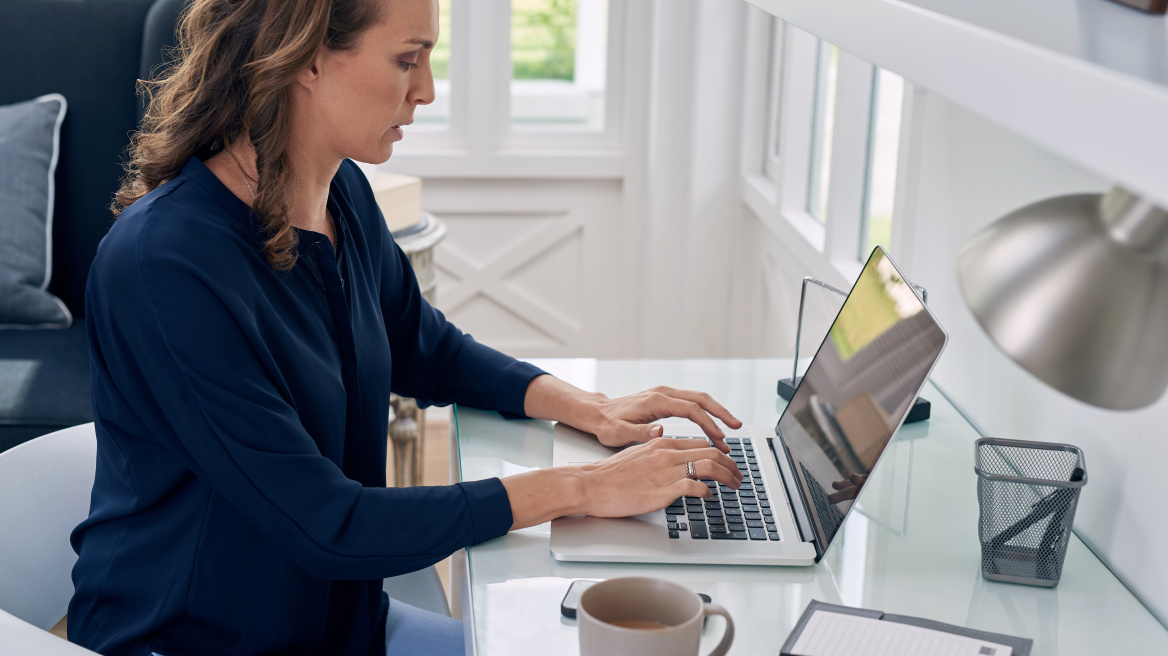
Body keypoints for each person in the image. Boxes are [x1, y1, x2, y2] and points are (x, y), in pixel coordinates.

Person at [67, 1, 744, 655]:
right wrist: (584, 489)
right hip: (191, 642)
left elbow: (426, 348)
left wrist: (589, 407)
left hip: (345, 629)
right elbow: (328, 524)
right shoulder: (166, 267)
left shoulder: (341, 196)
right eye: (407, 59)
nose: (426, 90)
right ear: (305, 57)